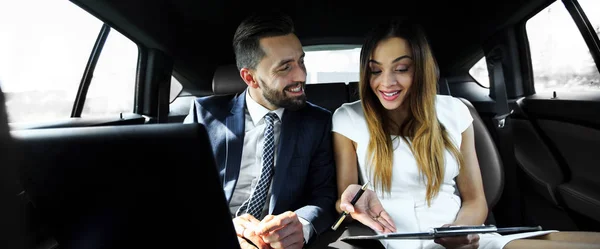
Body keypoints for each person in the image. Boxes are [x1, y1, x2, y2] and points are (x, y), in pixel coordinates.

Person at [332, 19, 600, 249]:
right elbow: (347, 199)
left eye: (401, 69)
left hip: (467, 240)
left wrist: (461, 231)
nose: (386, 82)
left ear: (422, 69)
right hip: (394, 242)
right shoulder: (348, 118)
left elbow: (475, 200)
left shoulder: (455, 110)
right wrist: (351, 203)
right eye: (375, 70)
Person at [183, 11, 337, 249]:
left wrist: (302, 225)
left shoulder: (318, 122)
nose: (301, 75)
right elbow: (179, 190)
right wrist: (224, 226)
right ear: (250, 78)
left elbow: (325, 194)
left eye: (301, 61)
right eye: (285, 68)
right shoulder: (204, 115)